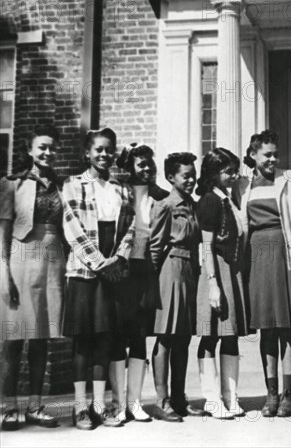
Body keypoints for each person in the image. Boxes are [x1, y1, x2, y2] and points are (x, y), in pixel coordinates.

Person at [62, 127, 135, 429]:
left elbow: (130, 226)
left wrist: (118, 259)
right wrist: (98, 262)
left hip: (113, 271)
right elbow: (72, 227)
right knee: (83, 341)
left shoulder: (121, 188)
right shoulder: (73, 184)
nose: (104, 155)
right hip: (84, 270)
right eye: (98, 150)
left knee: (106, 338)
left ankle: (99, 405)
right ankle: (80, 407)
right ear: (87, 153)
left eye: (109, 149)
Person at [238, 130, 291, 418]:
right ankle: (271, 393)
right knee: (267, 327)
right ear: (253, 155)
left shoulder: (290, 178)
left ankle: (289, 394)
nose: (272, 159)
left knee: (287, 325)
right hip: (256, 256)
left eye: (275, 154)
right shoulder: (243, 184)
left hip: (284, 253)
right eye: (266, 154)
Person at [0, 125, 66, 430]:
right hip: (19, 262)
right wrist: (4, 274)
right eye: (42, 147)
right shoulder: (12, 184)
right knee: (13, 340)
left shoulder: (62, 186)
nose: (47, 153)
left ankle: (36, 406)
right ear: (30, 150)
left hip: (52, 263)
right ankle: (7, 406)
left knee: (41, 339)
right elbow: (3, 233)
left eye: (52, 147)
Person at [106, 143, 169, 423]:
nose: (147, 169)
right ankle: (118, 403)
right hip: (122, 270)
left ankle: (135, 402)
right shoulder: (120, 193)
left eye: (150, 164)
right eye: (141, 164)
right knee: (119, 336)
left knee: (140, 336)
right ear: (129, 166)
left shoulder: (160, 196)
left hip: (146, 272)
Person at [195, 148, 249, 420]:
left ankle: (231, 396)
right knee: (211, 335)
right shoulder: (209, 201)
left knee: (230, 335)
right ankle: (212, 398)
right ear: (213, 173)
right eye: (228, 171)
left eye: (235, 170)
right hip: (215, 270)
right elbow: (206, 247)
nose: (233, 175)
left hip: (232, 271)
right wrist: (213, 284)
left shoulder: (229, 199)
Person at [149, 152, 202, 422]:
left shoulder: (192, 204)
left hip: (190, 271)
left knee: (183, 336)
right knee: (167, 335)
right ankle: (162, 400)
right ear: (171, 177)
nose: (191, 180)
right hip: (169, 270)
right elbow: (156, 247)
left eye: (193, 175)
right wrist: (151, 282)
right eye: (186, 175)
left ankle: (179, 399)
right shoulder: (165, 205)